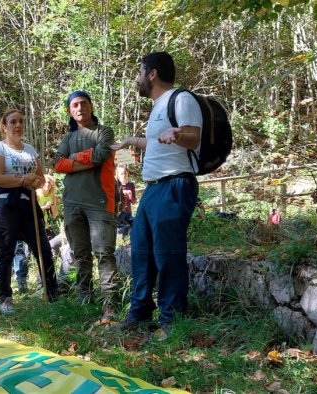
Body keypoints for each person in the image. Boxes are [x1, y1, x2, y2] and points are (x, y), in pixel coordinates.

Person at [111, 51, 201, 333]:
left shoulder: (182, 99)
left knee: (168, 253)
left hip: (174, 185)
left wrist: (178, 134)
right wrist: (132, 141)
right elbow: (158, 142)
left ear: (152, 74)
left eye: (140, 72)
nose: (137, 79)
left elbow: (193, 136)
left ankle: (171, 320)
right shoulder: (158, 105)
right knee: (140, 251)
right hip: (153, 188)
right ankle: (139, 313)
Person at [53, 90, 118, 323]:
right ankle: (84, 299)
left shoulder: (104, 131)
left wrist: (73, 161)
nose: (79, 108)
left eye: (83, 103)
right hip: (72, 203)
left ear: (90, 106)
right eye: (74, 105)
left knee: (104, 253)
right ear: (70, 111)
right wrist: (85, 160)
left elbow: (101, 155)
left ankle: (109, 304)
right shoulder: (67, 138)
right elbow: (57, 163)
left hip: (99, 202)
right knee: (80, 255)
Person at [0, 109, 58, 314]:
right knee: (6, 251)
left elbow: (42, 180)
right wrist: (23, 180)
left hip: (28, 204)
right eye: (12, 122)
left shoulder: (30, 150)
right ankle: (5, 298)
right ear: (4, 126)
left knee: (42, 248)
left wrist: (31, 180)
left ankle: (52, 293)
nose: (17, 125)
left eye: (20, 121)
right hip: (6, 206)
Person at [116, 165, 136, 233]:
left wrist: (130, 196)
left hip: (128, 212)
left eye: (125, 173)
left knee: (136, 224)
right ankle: (123, 230)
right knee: (118, 227)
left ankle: (127, 231)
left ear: (127, 174)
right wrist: (121, 194)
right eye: (121, 174)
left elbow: (134, 202)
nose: (124, 175)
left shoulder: (131, 185)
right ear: (118, 175)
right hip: (119, 214)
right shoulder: (116, 185)